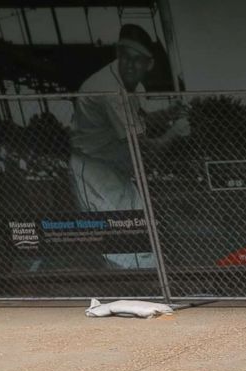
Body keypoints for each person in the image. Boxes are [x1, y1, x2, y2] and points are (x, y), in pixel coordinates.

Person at [68, 23, 186, 269]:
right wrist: (174, 132)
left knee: (138, 227)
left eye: (138, 59)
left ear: (148, 64)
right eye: (125, 57)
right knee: (120, 237)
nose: (130, 64)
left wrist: (168, 112)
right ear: (118, 56)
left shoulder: (131, 85)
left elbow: (139, 120)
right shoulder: (110, 89)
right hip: (93, 169)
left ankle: (149, 283)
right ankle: (132, 290)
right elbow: (143, 149)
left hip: (114, 166)